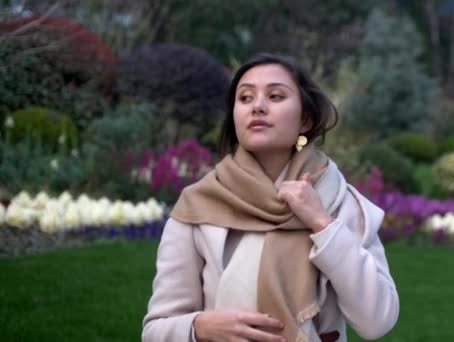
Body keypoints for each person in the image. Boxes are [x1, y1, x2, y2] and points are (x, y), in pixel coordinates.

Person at [142, 53, 399, 342]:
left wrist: (322, 224)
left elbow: (377, 321)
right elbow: (155, 330)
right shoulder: (199, 205)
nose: (258, 107)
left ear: (306, 119)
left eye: (275, 96)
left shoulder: (341, 204)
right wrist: (199, 328)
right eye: (245, 98)